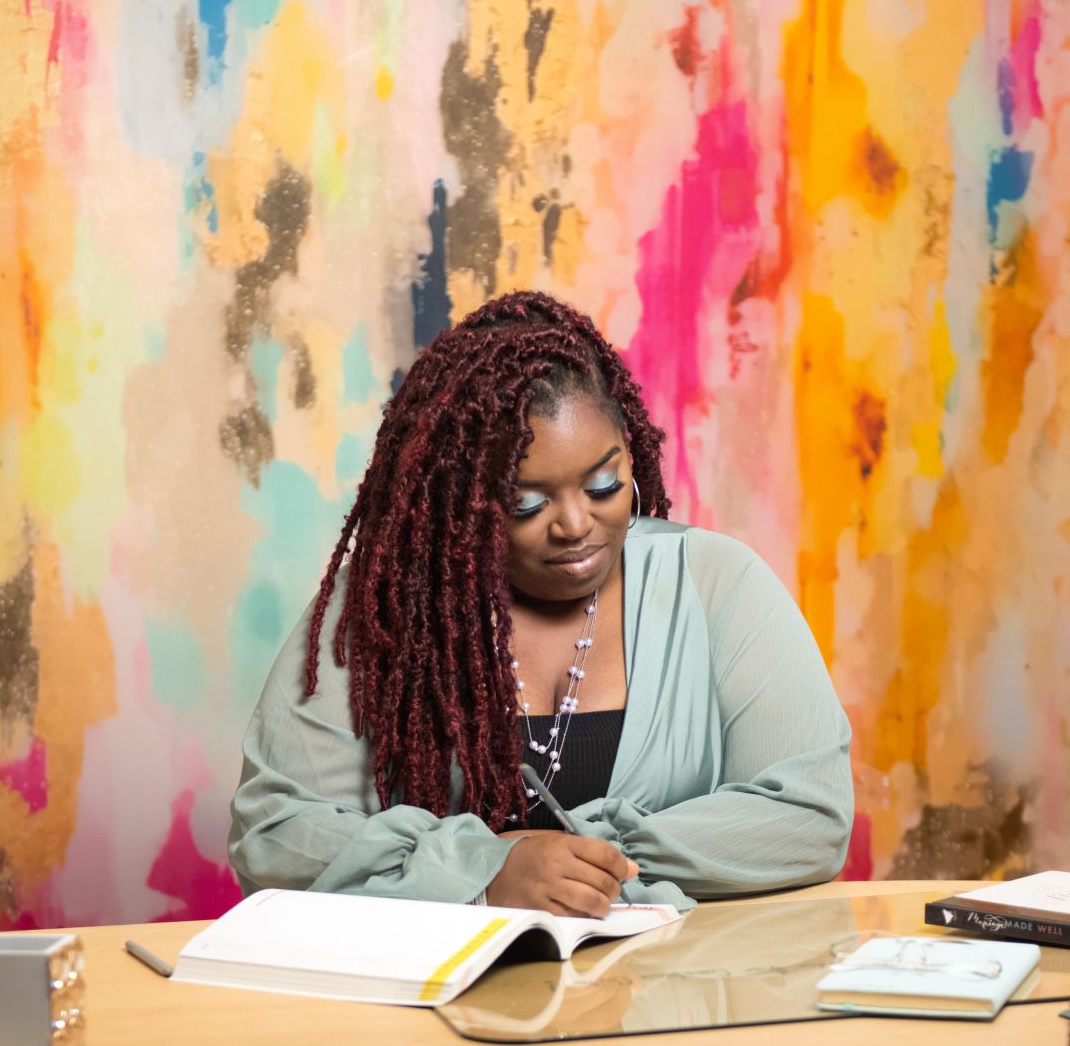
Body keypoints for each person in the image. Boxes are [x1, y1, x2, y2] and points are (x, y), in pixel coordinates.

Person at [228, 291, 853, 917]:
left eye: (604, 484)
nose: (576, 525)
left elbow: (809, 818)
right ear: (462, 499)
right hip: (450, 980)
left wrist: (582, 860)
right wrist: (482, 869)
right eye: (526, 502)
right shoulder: (383, 607)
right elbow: (274, 834)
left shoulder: (715, 584)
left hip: (674, 974)